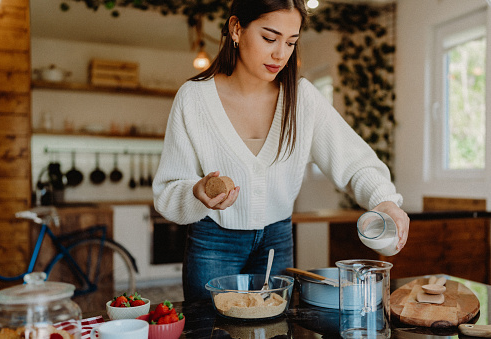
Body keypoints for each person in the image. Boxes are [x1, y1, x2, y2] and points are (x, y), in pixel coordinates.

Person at [152, 0, 410, 301]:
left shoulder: (302, 99)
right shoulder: (194, 98)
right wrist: (196, 192)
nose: (280, 54)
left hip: (278, 240)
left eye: (291, 42)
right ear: (237, 28)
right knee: (210, 331)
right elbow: (168, 190)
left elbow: (355, 162)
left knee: (274, 331)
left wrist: (385, 200)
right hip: (213, 242)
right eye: (269, 38)